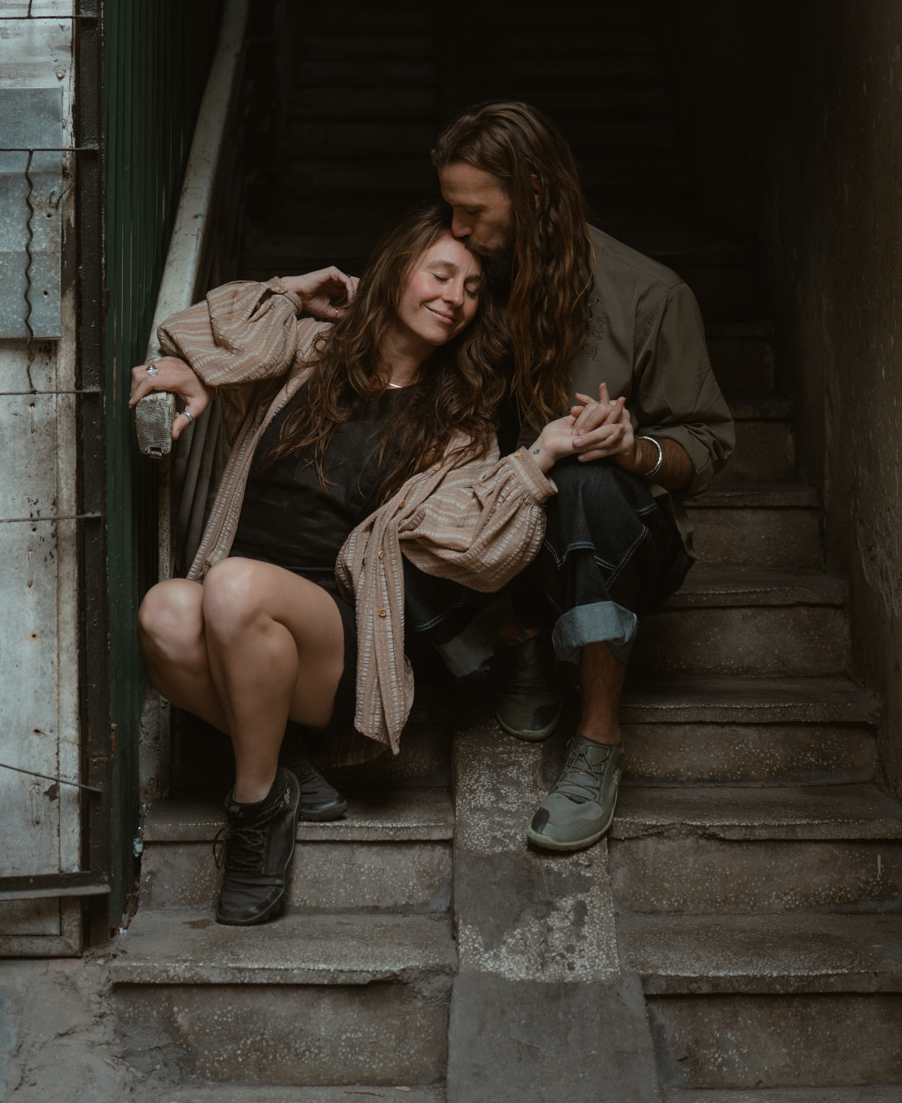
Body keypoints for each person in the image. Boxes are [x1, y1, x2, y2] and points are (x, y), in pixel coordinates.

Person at [131, 204, 620, 926]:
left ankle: (256, 808)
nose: (455, 298)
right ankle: (279, 761)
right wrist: (292, 290)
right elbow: (199, 329)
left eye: (472, 288)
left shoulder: (458, 424)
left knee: (229, 585)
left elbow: (479, 550)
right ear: (395, 272)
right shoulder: (307, 353)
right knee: (165, 611)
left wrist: (537, 459)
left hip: (334, 641)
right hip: (242, 619)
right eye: (440, 275)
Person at [433, 101, 735, 853]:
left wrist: (635, 450)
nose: (457, 228)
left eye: (473, 211)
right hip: (502, 536)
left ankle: (598, 739)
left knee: (587, 481)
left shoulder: (650, 294)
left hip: (619, 540)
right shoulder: (458, 281)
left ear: (533, 191)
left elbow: (706, 446)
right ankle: (523, 634)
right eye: (450, 209)